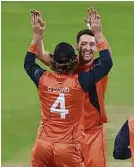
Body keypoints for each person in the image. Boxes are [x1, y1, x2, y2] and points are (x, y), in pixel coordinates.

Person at [30, 7, 112, 167]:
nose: (88, 48)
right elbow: (41, 55)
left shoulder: (98, 68)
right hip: (68, 137)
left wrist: (98, 33)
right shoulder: (67, 66)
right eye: (84, 44)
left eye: (92, 44)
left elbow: (108, 57)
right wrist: (38, 34)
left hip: (92, 133)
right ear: (77, 46)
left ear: (96, 47)